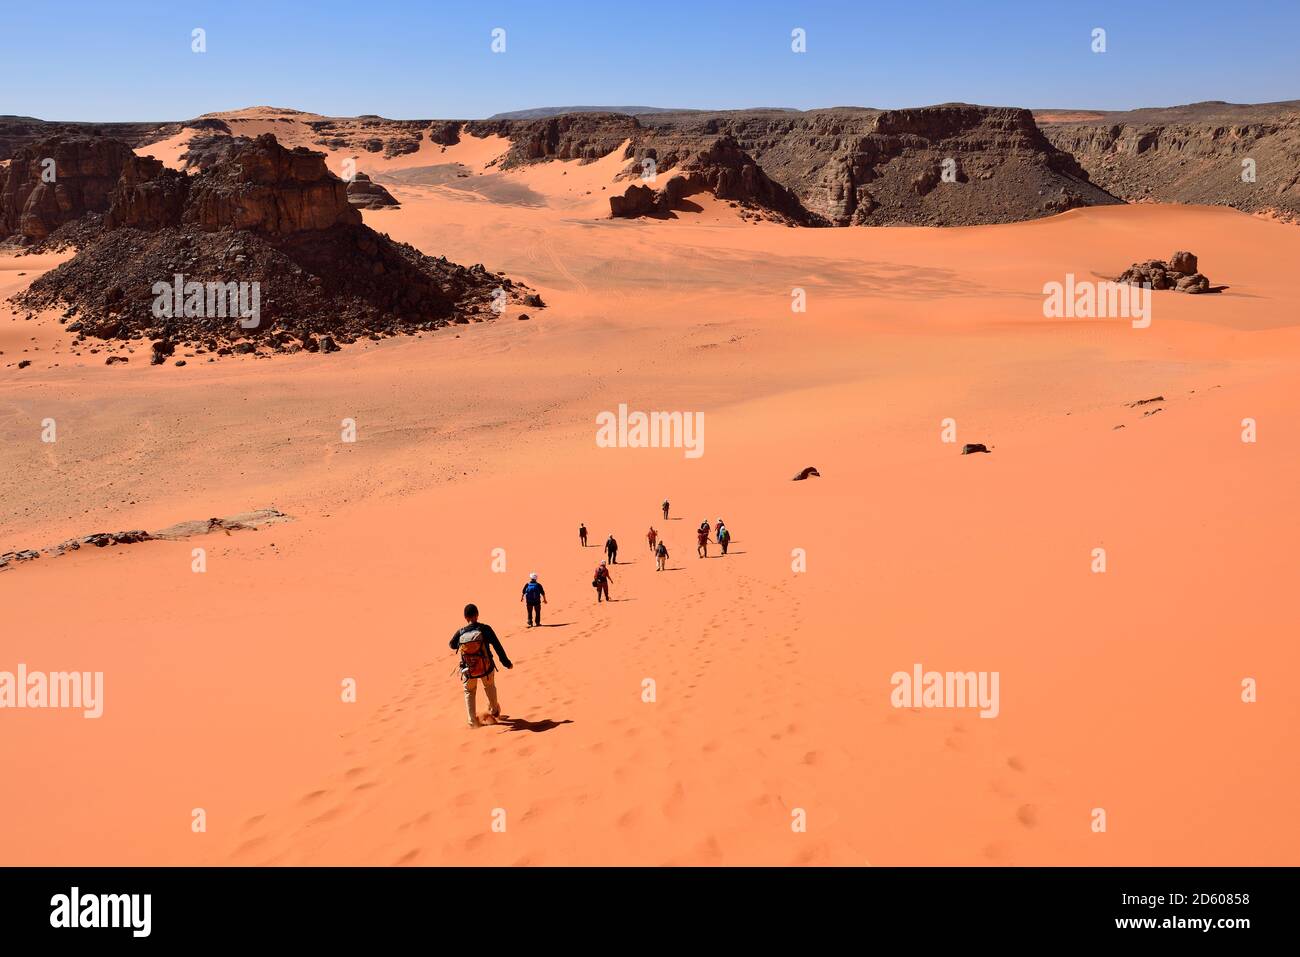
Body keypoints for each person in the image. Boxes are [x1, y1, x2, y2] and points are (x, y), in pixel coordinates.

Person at [449, 603, 512, 729]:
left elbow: (451, 644)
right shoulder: (485, 629)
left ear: (465, 617)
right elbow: (497, 646)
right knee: (489, 687)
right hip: (486, 667)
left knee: (469, 692)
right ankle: (494, 711)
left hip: (469, 670)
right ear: (477, 615)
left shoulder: (461, 632)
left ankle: (472, 722)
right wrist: (506, 662)